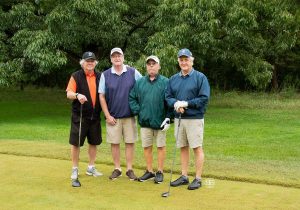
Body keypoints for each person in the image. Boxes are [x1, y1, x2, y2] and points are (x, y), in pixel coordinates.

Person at [165, 48, 210, 190]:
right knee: (183, 147)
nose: (184, 62)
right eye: (181, 60)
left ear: (192, 60)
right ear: (178, 61)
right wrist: (176, 105)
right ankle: (184, 176)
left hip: (194, 118)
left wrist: (186, 103)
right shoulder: (173, 79)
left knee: (196, 147)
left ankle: (198, 178)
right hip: (179, 118)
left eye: (186, 59)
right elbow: (168, 96)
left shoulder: (200, 77)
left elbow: (204, 98)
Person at [99, 47, 142, 181]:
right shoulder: (105, 75)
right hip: (113, 117)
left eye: (119, 56)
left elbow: (143, 87)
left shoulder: (133, 72)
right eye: (114, 56)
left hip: (129, 116)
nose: (117, 58)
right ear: (111, 59)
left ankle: (129, 169)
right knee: (115, 143)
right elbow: (101, 96)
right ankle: (117, 168)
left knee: (130, 143)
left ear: (123, 57)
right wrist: (107, 115)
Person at [129, 55, 171, 184]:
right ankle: (149, 171)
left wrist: (169, 117)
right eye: (149, 64)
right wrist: (139, 111)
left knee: (160, 146)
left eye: (154, 63)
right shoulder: (140, 82)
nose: (151, 66)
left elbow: (170, 101)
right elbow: (132, 98)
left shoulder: (165, 82)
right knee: (147, 146)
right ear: (146, 66)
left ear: (159, 66)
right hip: (145, 122)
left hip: (160, 122)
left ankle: (160, 172)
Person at [66, 51, 103, 185]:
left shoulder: (100, 76)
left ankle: (91, 167)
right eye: (88, 61)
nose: (90, 63)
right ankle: (75, 168)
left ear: (95, 63)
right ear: (83, 63)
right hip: (80, 116)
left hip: (95, 116)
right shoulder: (76, 76)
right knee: (76, 143)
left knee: (94, 142)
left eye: (92, 61)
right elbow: (69, 93)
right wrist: (77, 95)